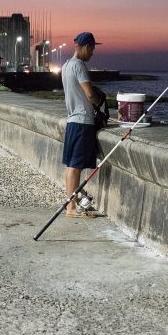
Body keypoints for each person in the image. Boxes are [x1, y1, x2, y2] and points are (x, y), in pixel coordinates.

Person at [61, 32, 102, 218]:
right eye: (92, 49)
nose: (92, 53)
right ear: (85, 47)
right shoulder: (79, 66)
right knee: (75, 166)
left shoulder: (66, 65)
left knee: (71, 166)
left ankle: (73, 203)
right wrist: (99, 99)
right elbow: (90, 95)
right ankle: (71, 208)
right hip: (82, 121)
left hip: (72, 121)